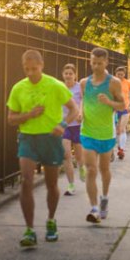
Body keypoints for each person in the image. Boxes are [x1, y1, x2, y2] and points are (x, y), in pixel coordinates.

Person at [7, 50, 79, 247]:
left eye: (34, 68)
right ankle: (29, 230)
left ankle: (50, 220)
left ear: (42, 65)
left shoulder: (55, 85)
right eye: (26, 69)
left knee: (51, 184)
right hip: (28, 138)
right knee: (26, 180)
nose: (30, 72)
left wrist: (62, 125)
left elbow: (74, 110)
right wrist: (29, 115)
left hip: (51, 138)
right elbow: (11, 118)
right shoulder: (18, 88)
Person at [80, 48, 125, 223]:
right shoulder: (84, 83)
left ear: (106, 62)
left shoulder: (113, 83)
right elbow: (84, 99)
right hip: (88, 132)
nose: (96, 66)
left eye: (99, 63)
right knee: (91, 169)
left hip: (106, 133)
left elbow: (122, 105)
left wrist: (108, 102)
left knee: (104, 169)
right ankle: (94, 208)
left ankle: (104, 198)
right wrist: (80, 112)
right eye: (93, 63)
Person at [61, 63, 84, 196]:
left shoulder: (79, 87)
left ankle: (81, 167)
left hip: (77, 125)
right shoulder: (60, 88)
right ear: (63, 75)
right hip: (64, 125)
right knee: (66, 155)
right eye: (66, 73)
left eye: (71, 73)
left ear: (75, 75)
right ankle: (71, 184)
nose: (68, 75)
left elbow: (82, 101)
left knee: (79, 156)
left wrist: (80, 113)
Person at [114, 66, 130, 160]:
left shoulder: (128, 83)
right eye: (118, 74)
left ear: (124, 74)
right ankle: (117, 146)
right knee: (115, 130)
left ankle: (121, 150)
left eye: (122, 74)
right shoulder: (112, 82)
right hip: (113, 108)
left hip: (125, 108)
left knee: (122, 129)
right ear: (115, 74)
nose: (120, 76)